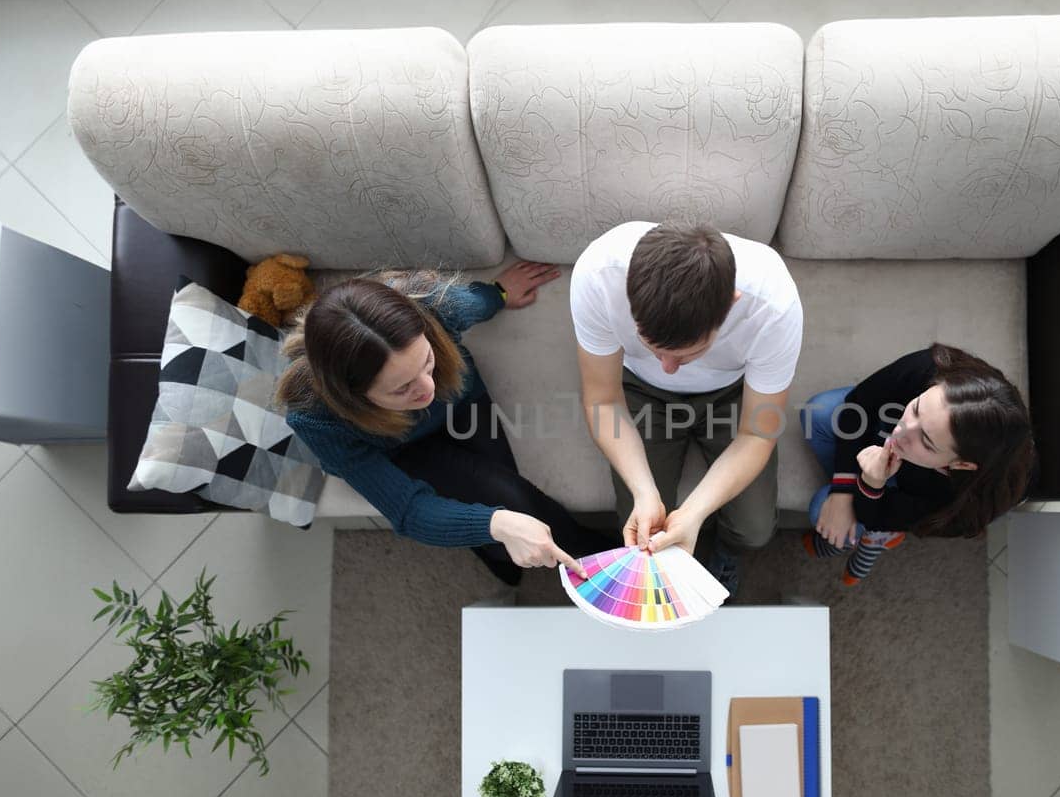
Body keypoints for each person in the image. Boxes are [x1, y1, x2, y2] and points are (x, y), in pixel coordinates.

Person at [277, 263, 611, 586]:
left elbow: (477, 302)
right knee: (509, 500)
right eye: (402, 387)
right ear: (351, 395)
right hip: (397, 448)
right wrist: (498, 524)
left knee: (504, 490)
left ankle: (498, 556)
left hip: (461, 400)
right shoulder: (315, 416)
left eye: (427, 363)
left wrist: (499, 292)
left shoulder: (428, 302)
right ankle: (595, 556)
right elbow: (409, 510)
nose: (427, 389)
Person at [571, 221, 803, 593]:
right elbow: (602, 400)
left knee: (755, 530)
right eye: (652, 347)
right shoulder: (598, 274)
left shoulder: (774, 305)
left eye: (687, 354)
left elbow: (758, 431)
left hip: (732, 394)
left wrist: (694, 513)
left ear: (731, 302)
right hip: (637, 391)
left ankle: (725, 550)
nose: (668, 368)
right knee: (637, 523)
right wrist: (645, 492)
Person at [800, 343, 1035, 585]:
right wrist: (842, 491)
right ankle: (858, 518)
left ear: (962, 465)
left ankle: (881, 534)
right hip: (908, 463)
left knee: (824, 509)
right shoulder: (935, 367)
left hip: (921, 493)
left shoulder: (968, 505)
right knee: (818, 413)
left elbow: (878, 513)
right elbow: (857, 404)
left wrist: (872, 482)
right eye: (916, 408)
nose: (899, 432)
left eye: (926, 440)